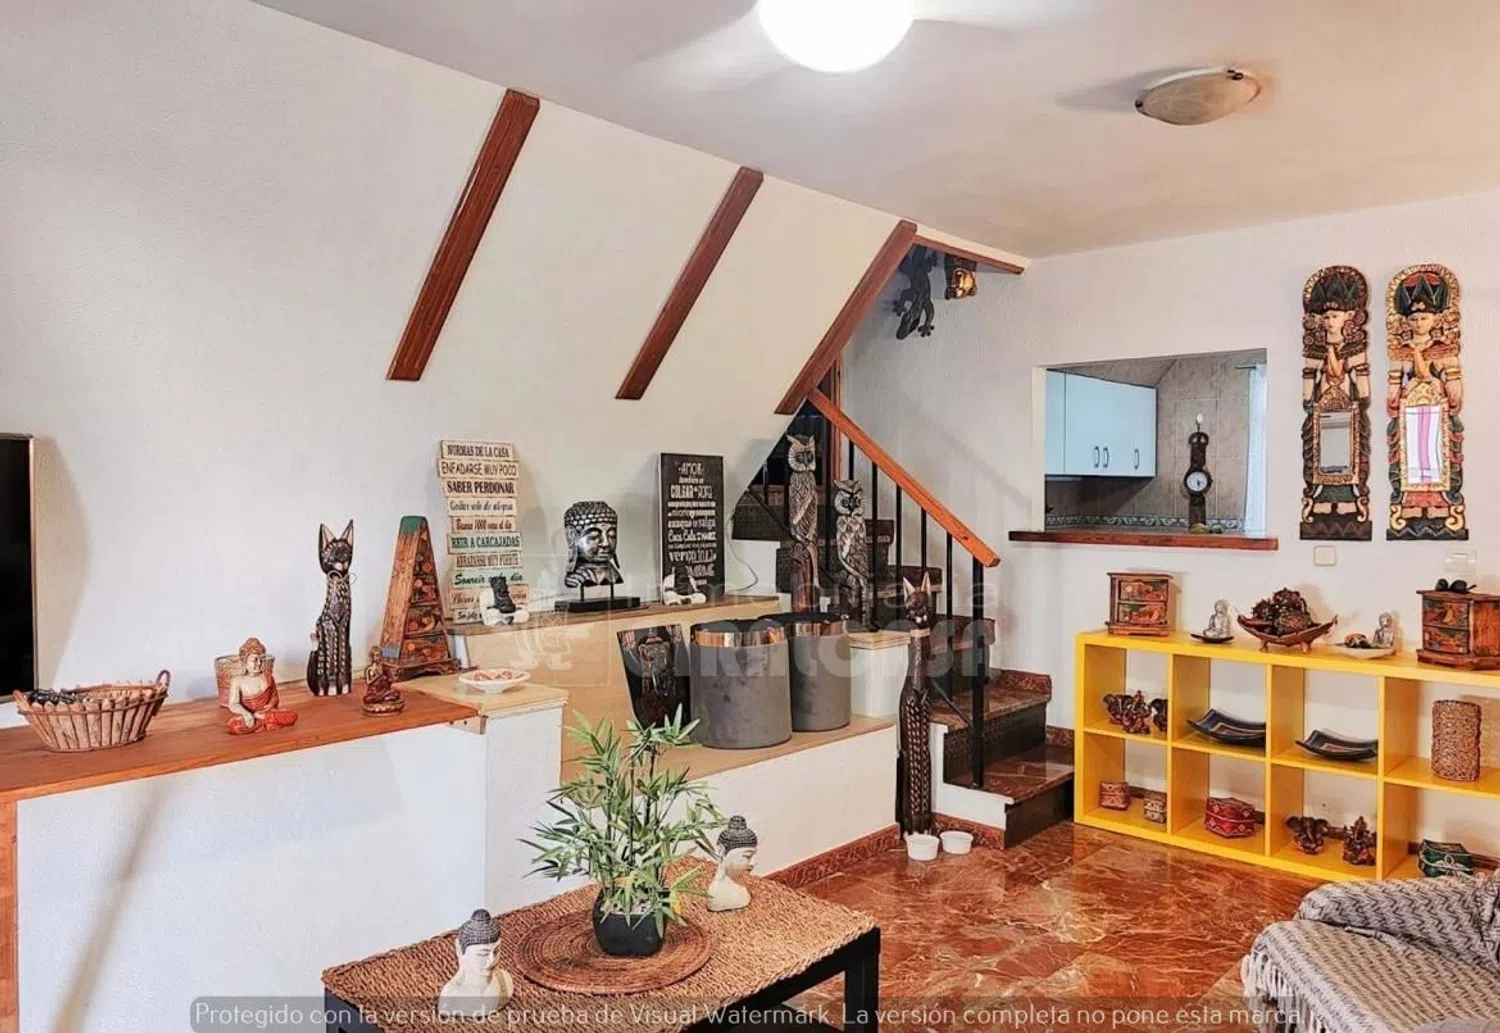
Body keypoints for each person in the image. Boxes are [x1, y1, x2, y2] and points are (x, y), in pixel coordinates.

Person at [437, 909, 512, 1019]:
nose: (491, 960)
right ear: (460, 950)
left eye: (496, 951)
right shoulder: (450, 997)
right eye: (483, 954)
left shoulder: (505, 981)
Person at [225, 638, 297, 735]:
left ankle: (261, 721)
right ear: (243, 661)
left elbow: (274, 697)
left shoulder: (268, 677)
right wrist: (246, 714)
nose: (259, 663)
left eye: (261, 660)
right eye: (254, 660)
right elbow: (233, 704)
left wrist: (270, 705)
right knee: (234, 726)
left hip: (265, 714)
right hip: (250, 715)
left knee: (292, 715)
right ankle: (265, 722)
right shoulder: (237, 681)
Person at [707, 816, 759, 913]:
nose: (753, 863)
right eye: (747, 856)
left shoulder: (742, 886)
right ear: (721, 851)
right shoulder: (715, 893)